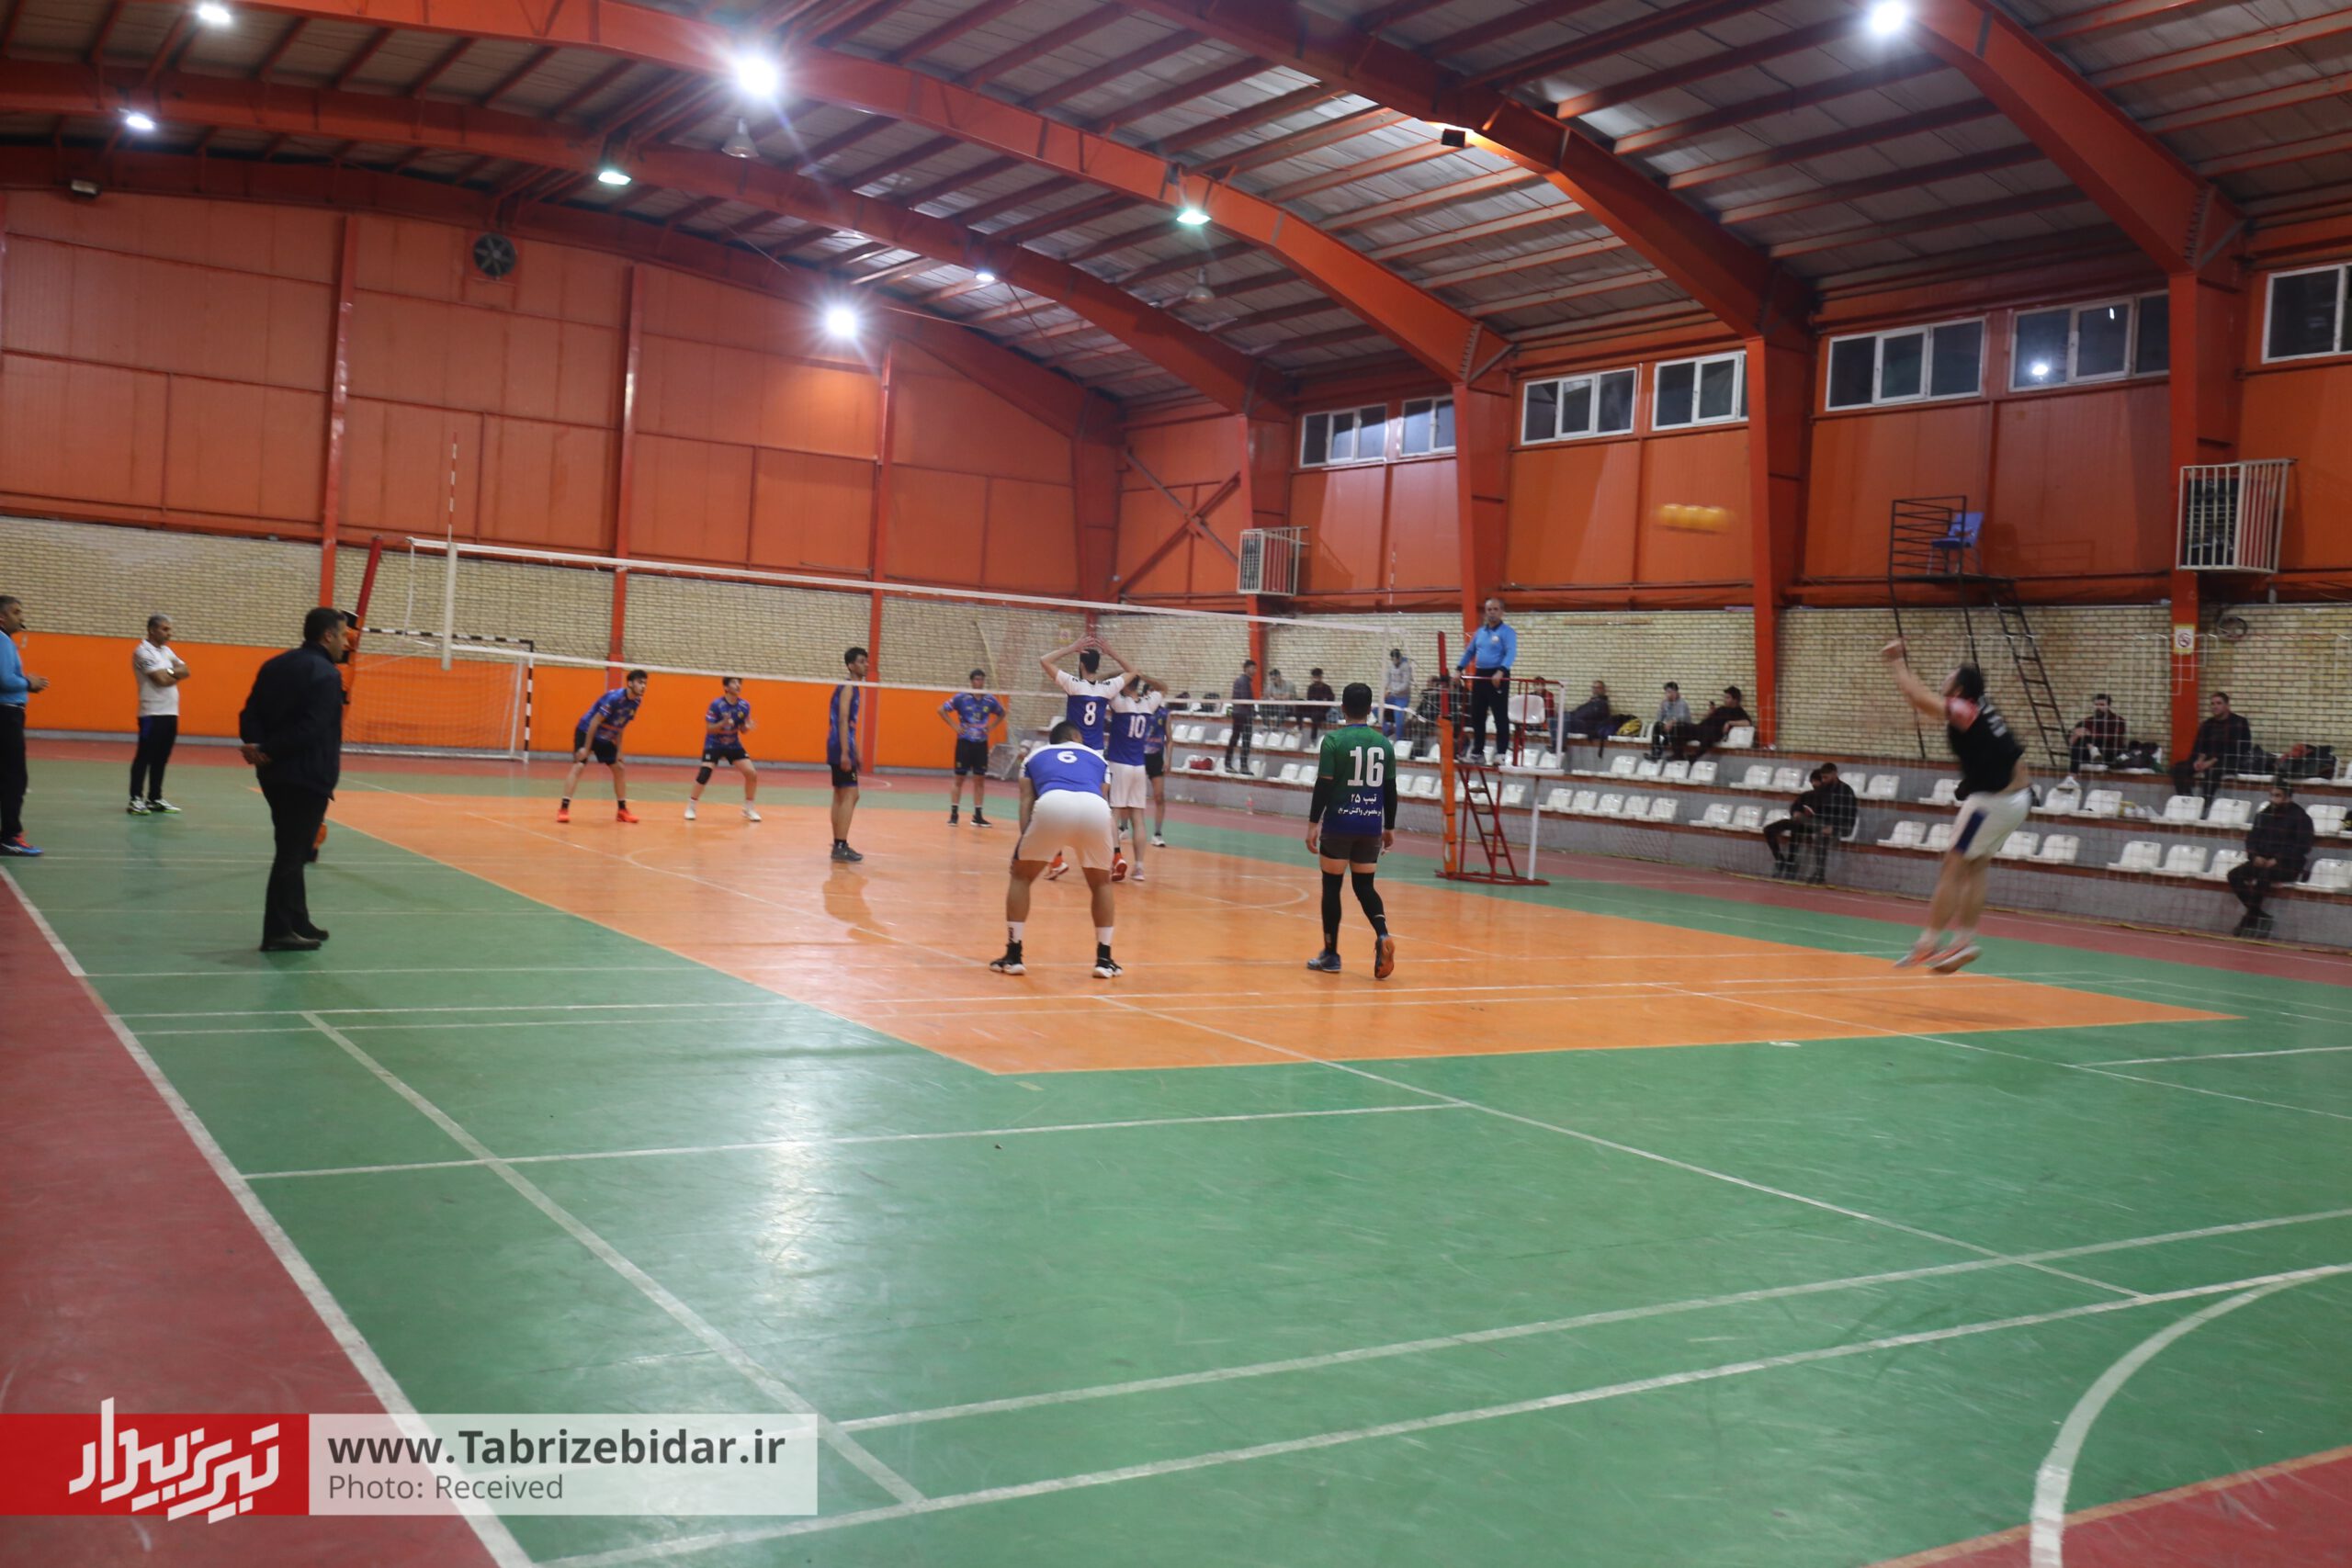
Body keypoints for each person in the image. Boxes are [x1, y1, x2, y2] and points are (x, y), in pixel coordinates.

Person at [1881, 638, 2031, 973]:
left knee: (1953, 865)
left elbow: (1918, 698)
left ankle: (1928, 943)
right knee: (1976, 865)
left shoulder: (1963, 709)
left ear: (1959, 689)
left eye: (1950, 676)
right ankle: (1963, 940)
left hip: (1991, 803)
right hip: (2019, 800)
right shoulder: (1981, 706)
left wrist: (1896, 661)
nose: (1944, 678)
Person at [237, 606, 354, 951]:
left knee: (295, 848)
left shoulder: (275, 665)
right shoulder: (327, 675)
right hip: (305, 776)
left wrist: (256, 746)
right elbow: (312, 729)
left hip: (273, 775)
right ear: (327, 636)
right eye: (344, 635)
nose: (347, 643)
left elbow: (249, 713)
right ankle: (277, 931)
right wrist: (269, 749)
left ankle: (297, 920)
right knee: (291, 854)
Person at [989, 720, 1121, 978]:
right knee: (1101, 883)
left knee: (1021, 877)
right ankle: (1104, 960)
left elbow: (1026, 802)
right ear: (1076, 737)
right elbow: (1103, 800)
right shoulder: (1098, 758)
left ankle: (1014, 955)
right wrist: (1115, 850)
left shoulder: (1034, 756)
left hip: (1052, 803)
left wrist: (1025, 845)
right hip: (1095, 808)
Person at [1305, 682, 1398, 979]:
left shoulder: (1333, 741)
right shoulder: (1384, 745)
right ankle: (1382, 934)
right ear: (1370, 710)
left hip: (1339, 825)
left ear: (1342, 708)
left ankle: (1331, 955)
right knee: (1365, 886)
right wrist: (1389, 826)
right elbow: (1390, 789)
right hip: (1370, 825)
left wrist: (1313, 824)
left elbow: (1323, 785)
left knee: (1332, 886)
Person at [559, 670, 648, 825]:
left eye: (645, 683)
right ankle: (563, 809)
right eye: (640, 682)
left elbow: (621, 725)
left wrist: (619, 751)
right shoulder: (615, 698)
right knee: (579, 765)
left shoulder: (636, 702)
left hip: (605, 735)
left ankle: (622, 811)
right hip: (587, 730)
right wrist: (586, 748)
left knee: (619, 768)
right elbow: (594, 722)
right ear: (630, 683)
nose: (643, 686)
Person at [2229, 783, 2314, 939]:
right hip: (2262, 860)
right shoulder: (2263, 815)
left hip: (2289, 864)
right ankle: (2257, 914)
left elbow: (2303, 846)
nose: (2273, 799)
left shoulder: (2301, 818)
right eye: (2271, 795)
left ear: (2288, 797)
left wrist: (2279, 858)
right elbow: (2252, 839)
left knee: (2265, 875)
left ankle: (2249, 919)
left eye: (2277, 796)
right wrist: (2254, 856)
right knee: (2234, 875)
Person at [128, 613, 191, 816]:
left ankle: (155, 798)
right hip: (151, 714)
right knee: (144, 756)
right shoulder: (142, 652)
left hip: (170, 713)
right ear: (152, 630)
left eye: (169, 629)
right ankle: (136, 799)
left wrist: (169, 673)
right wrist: (173, 673)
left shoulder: (166, 650)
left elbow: (186, 670)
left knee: (162, 757)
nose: (169, 633)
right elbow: (160, 680)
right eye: (165, 629)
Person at [0, 595, 48, 857]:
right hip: (7, 714)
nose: (22, 617)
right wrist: (29, 683)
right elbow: (5, 680)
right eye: (16, 612)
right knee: (14, 777)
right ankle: (10, 836)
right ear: (2, 617)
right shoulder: (2, 640)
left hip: (7, 714)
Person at [1106, 674, 1165, 881]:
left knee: (1113, 814)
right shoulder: (1148, 703)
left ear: (1123, 685)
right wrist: (1140, 673)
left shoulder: (1119, 702)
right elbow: (1163, 686)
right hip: (1139, 766)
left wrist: (1124, 672)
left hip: (1119, 764)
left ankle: (1115, 859)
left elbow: (1103, 684)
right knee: (1137, 817)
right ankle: (1139, 867)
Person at [1765, 763, 1859, 883]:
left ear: (1834, 774)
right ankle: (1782, 861)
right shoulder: (1816, 792)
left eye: (1825, 778)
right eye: (1821, 778)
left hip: (1840, 826)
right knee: (1778, 827)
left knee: (1820, 835)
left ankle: (1819, 874)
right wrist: (1796, 812)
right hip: (1817, 823)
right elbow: (1800, 806)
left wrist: (1834, 828)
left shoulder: (1846, 791)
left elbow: (1848, 815)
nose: (1823, 781)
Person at [938, 668, 1005, 828]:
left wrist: (991, 727)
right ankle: (954, 814)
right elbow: (941, 710)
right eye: (976, 679)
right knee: (959, 778)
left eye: (981, 679)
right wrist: (955, 726)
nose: (979, 682)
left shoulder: (990, 700)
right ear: (971, 681)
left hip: (981, 744)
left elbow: (1002, 713)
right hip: (965, 743)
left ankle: (978, 816)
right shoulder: (961, 698)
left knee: (980, 779)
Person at [686, 676, 758, 823]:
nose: (738, 685)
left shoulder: (744, 706)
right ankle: (691, 806)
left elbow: (743, 729)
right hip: (714, 744)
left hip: (733, 744)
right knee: (704, 773)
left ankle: (748, 809)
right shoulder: (716, 705)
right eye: (734, 682)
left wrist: (747, 727)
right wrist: (722, 723)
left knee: (751, 773)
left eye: (739, 682)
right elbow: (709, 729)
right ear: (726, 687)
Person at [1039, 635, 1129, 751]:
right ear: (1097, 666)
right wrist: (1112, 652)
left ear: (1081, 665)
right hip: (1096, 750)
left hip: (1075, 747)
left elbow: (1044, 660)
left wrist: (1071, 648)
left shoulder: (1073, 684)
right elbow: (1132, 671)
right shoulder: (1107, 688)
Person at [1455, 596, 1515, 761]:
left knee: (1500, 715)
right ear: (1485, 612)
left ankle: (1501, 753)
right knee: (1477, 715)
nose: (1492, 612)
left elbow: (1511, 653)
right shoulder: (1480, 632)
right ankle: (1478, 753)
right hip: (1480, 675)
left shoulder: (1507, 632)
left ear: (1502, 612)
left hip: (1498, 677)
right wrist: (1458, 669)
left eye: (1495, 609)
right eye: (1489, 609)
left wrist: (1501, 671)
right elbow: (1470, 652)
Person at [2174, 692, 2255, 802]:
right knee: (2178, 768)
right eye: (2212, 704)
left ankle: (2205, 803)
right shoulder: (2208, 724)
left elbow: (2238, 748)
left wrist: (2212, 761)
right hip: (2208, 760)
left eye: (2218, 703)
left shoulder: (2239, 722)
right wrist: (2199, 760)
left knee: (2212, 771)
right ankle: (2189, 801)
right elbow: (2200, 745)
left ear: (2227, 705)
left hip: (2230, 760)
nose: (2215, 706)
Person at [828, 647, 867, 863]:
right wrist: (845, 752)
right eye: (861, 661)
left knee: (841, 795)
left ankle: (838, 843)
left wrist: (856, 751)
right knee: (851, 794)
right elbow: (843, 719)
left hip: (841, 744)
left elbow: (850, 725)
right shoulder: (848, 687)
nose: (866, 665)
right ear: (851, 665)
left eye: (866, 661)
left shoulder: (853, 687)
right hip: (839, 745)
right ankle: (840, 845)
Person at [1672, 685, 1751, 762]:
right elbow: (1703, 720)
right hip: (1701, 729)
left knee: (1709, 732)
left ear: (1735, 700)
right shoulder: (1721, 708)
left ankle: (1694, 757)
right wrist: (1710, 713)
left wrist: (1729, 722)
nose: (1724, 700)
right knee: (1678, 727)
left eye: (1727, 698)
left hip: (1713, 733)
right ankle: (1678, 755)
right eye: (1724, 697)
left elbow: (1747, 723)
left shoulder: (1738, 711)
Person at [2067, 693, 2127, 773]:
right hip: (2089, 754)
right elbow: (2071, 743)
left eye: (2102, 705)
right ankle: (2092, 751)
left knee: (2085, 736)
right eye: (2096, 705)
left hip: (2108, 752)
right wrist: (2076, 735)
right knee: (2079, 741)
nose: (2098, 707)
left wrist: (2089, 734)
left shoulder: (2118, 721)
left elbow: (2107, 738)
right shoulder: (2087, 721)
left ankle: (2074, 773)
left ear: (2108, 706)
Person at [1143, 697, 1170, 848]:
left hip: (1156, 758)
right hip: (1138, 756)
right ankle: (1123, 827)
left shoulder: (1164, 713)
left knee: (1159, 796)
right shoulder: (1140, 709)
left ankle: (1157, 834)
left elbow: (1170, 740)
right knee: (1131, 795)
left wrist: (1168, 759)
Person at [1224, 658, 1259, 774]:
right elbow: (1245, 699)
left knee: (1235, 738)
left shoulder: (1243, 680)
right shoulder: (1244, 681)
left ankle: (1229, 764)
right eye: (1253, 668)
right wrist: (1252, 710)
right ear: (1247, 668)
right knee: (1245, 740)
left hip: (1239, 713)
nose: (1255, 670)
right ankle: (1242, 766)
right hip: (1243, 714)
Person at [1649, 682, 1691, 760]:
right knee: (1657, 725)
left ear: (1675, 692)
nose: (1667, 694)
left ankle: (1677, 755)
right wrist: (1661, 709)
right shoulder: (1666, 703)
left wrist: (1672, 722)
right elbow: (1659, 719)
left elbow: (1682, 718)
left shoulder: (1682, 703)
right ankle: (1656, 752)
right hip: (1671, 730)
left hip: (1683, 732)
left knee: (1676, 727)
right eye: (1666, 692)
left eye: (1669, 692)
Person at [1381, 648, 1416, 741]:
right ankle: (1387, 730)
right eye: (1393, 660)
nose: (1395, 662)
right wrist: (1384, 690)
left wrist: (1392, 691)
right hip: (1392, 696)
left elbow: (1406, 684)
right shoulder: (1391, 665)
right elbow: (1388, 679)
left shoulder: (1406, 667)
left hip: (1402, 698)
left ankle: (1399, 739)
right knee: (1376, 709)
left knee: (1399, 719)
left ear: (1399, 658)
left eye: (1396, 660)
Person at [1262, 667, 1298, 737]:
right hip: (1276, 707)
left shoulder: (1289, 685)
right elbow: (1266, 696)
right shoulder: (1271, 686)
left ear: (1279, 677)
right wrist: (1269, 696)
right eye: (1271, 679)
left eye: (1274, 679)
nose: (1273, 681)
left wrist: (1274, 696)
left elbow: (1286, 698)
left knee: (1283, 706)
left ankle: (1276, 727)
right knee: (1263, 704)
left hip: (1288, 708)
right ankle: (1266, 726)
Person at [1303, 669, 1336, 743]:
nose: (1316, 679)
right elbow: (1310, 700)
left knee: (1316, 715)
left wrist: (1322, 702)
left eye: (1317, 677)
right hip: (1312, 710)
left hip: (1323, 712)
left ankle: (1313, 738)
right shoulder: (1311, 688)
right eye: (1314, 677)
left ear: (1321, 677)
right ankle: (1299, 729)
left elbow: (1330, 700)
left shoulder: (1327, 688)